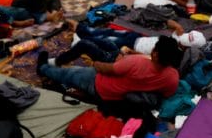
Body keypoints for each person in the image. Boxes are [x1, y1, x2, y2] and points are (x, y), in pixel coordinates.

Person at [37, 35, 182, 104]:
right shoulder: (172, 76)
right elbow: (167, 94)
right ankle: (61, 57)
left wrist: (95, 64)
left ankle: (43, 68)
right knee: (105, 44)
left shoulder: (136, 63)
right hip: (120, 75)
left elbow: (106, 69)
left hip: (102, 85)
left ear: (156, 54)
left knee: (69, 73)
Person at [47, 19, 204, 67]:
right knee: (103, 33)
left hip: (129, 48)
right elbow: (171, 24)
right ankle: (78, 32)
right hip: (135, 38)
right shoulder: (177, 39)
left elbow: (149, 59)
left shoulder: (171, 56)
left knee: (98, 39)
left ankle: (78, 35)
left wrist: (128, 52)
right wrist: (178, 27)